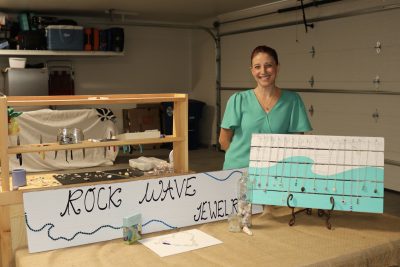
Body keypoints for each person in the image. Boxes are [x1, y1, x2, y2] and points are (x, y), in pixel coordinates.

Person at [219, 45, 312, 170]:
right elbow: (223, 140)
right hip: (238, 171)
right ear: (252, 71)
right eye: (257, 67)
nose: (263, 71)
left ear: (277, 68)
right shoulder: (238, 100)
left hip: (276, 172)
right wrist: (241, 162)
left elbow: (296, 143)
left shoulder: (292, 101)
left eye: (268, 65)